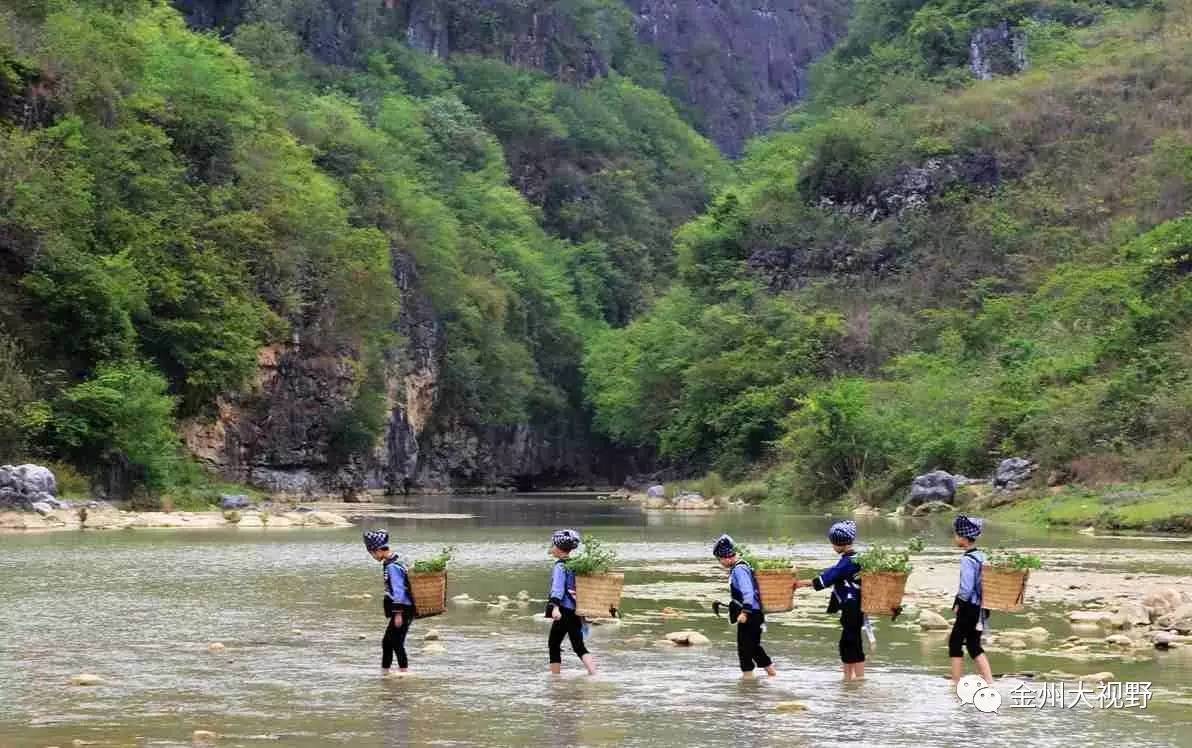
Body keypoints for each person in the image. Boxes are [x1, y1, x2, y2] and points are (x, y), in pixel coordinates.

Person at [794, 520, 865, 681]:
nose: (832, 547)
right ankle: (849, 679)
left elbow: (830, 577)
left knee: (850, 643)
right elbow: (833, 573)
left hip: (852, 606)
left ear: (841, 543)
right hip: (855, 606)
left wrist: (801, 584)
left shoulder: (848, 562)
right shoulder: (854, 558)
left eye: (833, 543)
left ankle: (857, 679)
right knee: (850, 642)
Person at [713, 534, 777, 677]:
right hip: (753, 614)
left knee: (747, 648)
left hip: (751, 614)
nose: (720, 562)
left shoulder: (739, 569)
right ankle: (759, 678)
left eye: (720, 559)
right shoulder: (741, 567)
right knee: (750, 648)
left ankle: (756, 678)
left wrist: (745, 612)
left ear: (727, 556)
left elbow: (748, 592)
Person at [546, 529, 597, 675]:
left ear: (559, 548)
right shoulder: (574, 564)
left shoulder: (560, 566)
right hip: (576, 610)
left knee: (553, 644)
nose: (551, 548)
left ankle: (555, 678)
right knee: (578, 645)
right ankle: (594, 674)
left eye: (553, 545)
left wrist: (554, 608)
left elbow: (558, 589)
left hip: (563, 610)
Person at [364, 529, 415, 676]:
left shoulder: (392, 566)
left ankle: (404, 673)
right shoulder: (395, 559)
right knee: (387, 642)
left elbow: (399, 590)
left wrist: (398, 613)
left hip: (403, 609)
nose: (373, 557)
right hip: (405, 609)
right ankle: (385, 673)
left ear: (378, 550)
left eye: (372, 554)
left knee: (396, 643)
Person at [950, 515, 994, 686]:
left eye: (956, 535)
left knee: (955, 642)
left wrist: (958, 604)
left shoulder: (968, 559)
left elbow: (966, 588)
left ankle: (955, 682)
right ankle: (989, 681)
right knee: (973, 644)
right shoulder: (982, 556)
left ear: (963, 538)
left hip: (969, 607)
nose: (955, 538)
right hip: (981, 607)